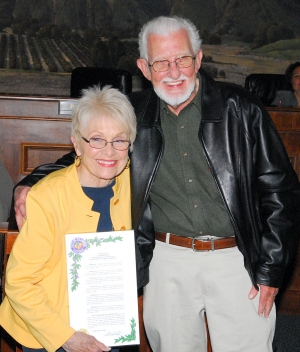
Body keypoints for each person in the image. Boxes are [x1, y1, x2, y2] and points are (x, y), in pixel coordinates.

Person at [12, 16, 300, 352]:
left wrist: (271, 269)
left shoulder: (241, 108)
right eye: (161, 62)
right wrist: (29, 182)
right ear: (144, 68)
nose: (173, 71)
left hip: (237, 258)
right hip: (166, 259)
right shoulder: (133, 112)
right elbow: (86, 152)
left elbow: (280, 190)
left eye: (182, 59)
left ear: (200, 59)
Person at [0, 86, 147, 352]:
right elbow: (19, 282)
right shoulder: (47, 196)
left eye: (119, 140)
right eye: (97, 139)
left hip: (112, 324)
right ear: (76, 143)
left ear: (130, 144)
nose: (109, 151)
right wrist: (66, 337)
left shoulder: (134, 183)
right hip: (50, 331)